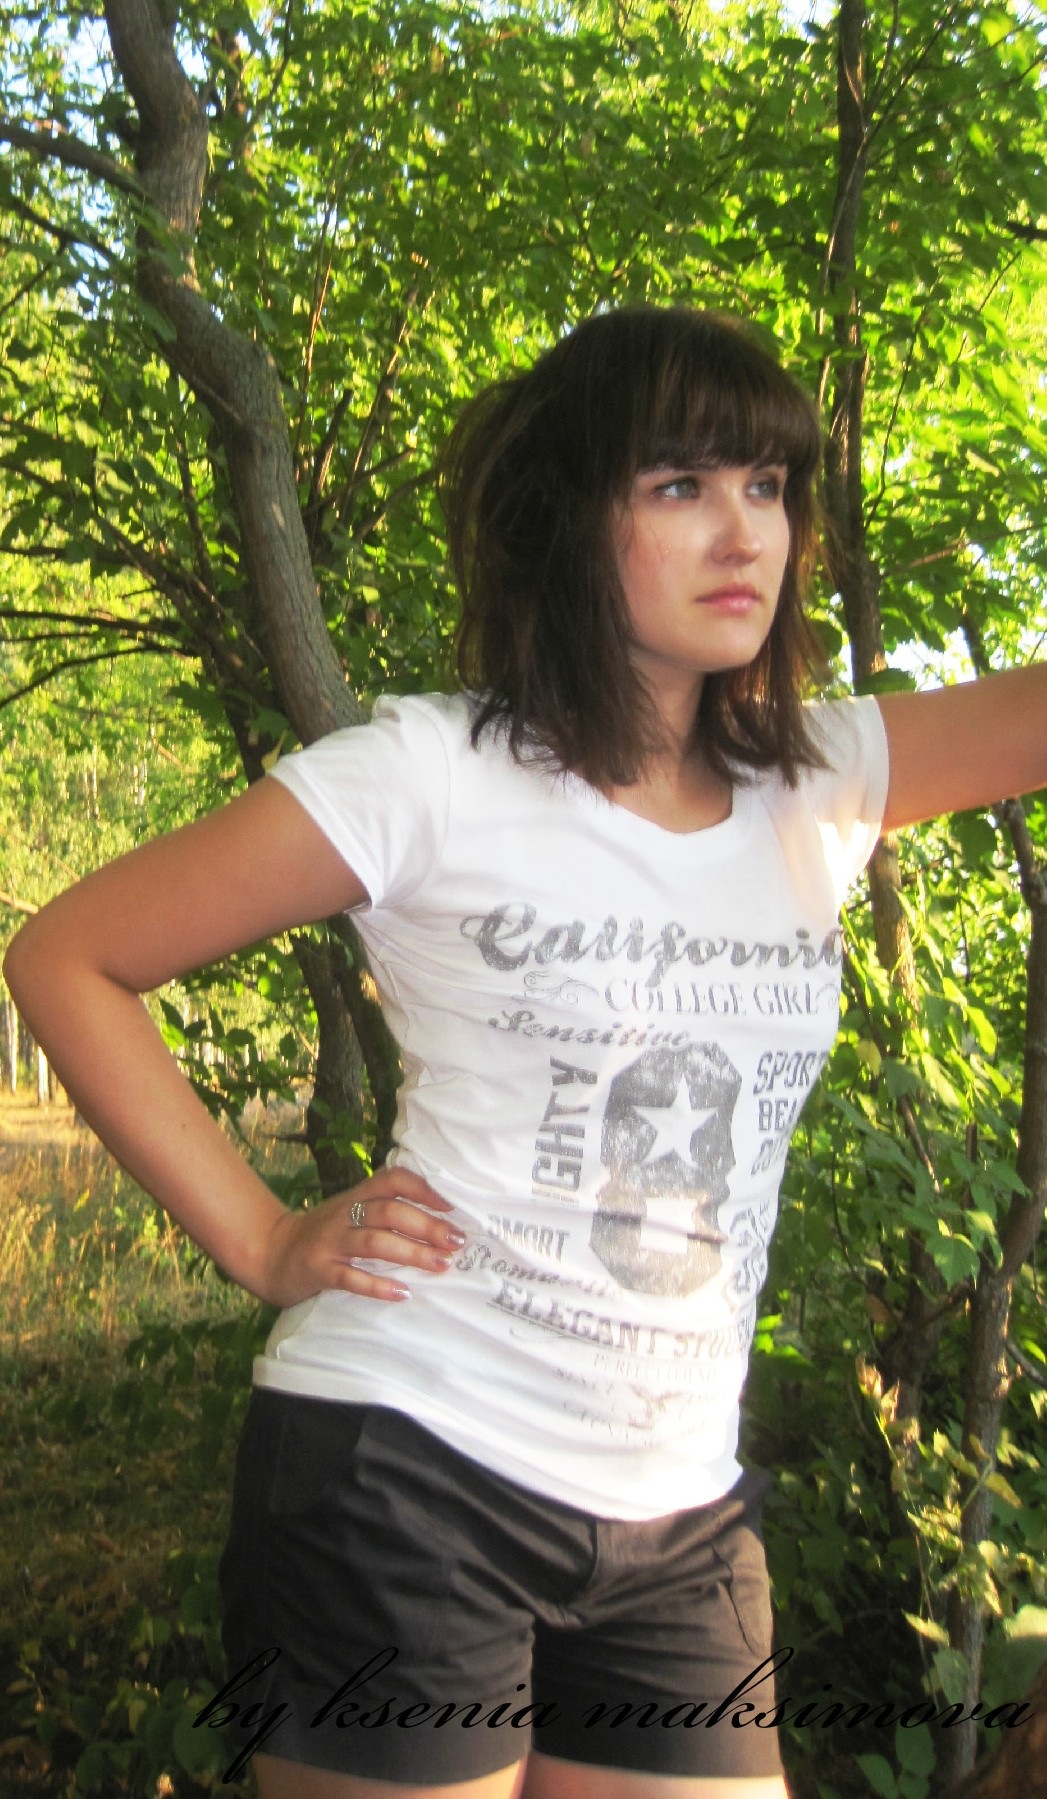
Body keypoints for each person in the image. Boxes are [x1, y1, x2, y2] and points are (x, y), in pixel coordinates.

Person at [4, 306, 1046, 1799]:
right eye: (680, 486)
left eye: (767, 485)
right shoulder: (430, 775)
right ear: (570, 520)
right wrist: (262, 1237)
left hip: (680, 1517)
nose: (744, 532)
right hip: (408, 1469)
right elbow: (68, 958)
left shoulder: (818, 780)